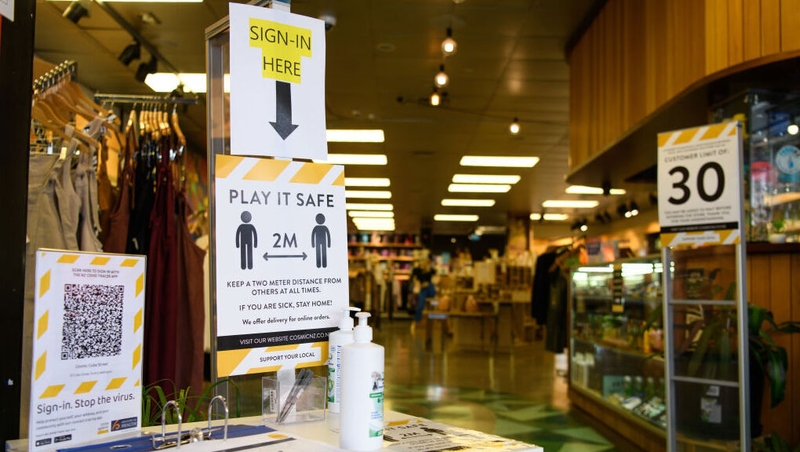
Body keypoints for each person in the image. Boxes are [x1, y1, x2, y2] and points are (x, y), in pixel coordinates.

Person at [410, 256, 437, 326]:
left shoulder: (429, 269)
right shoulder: (417, 270)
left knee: (433, 303)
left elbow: (436, 274)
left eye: (424, 260)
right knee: (420, 305)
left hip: (430, 287)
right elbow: (413, 278)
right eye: (421, 260)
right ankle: (416, 322)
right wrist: (417, 283)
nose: (422, 262)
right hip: (422, 288)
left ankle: (433, 320)